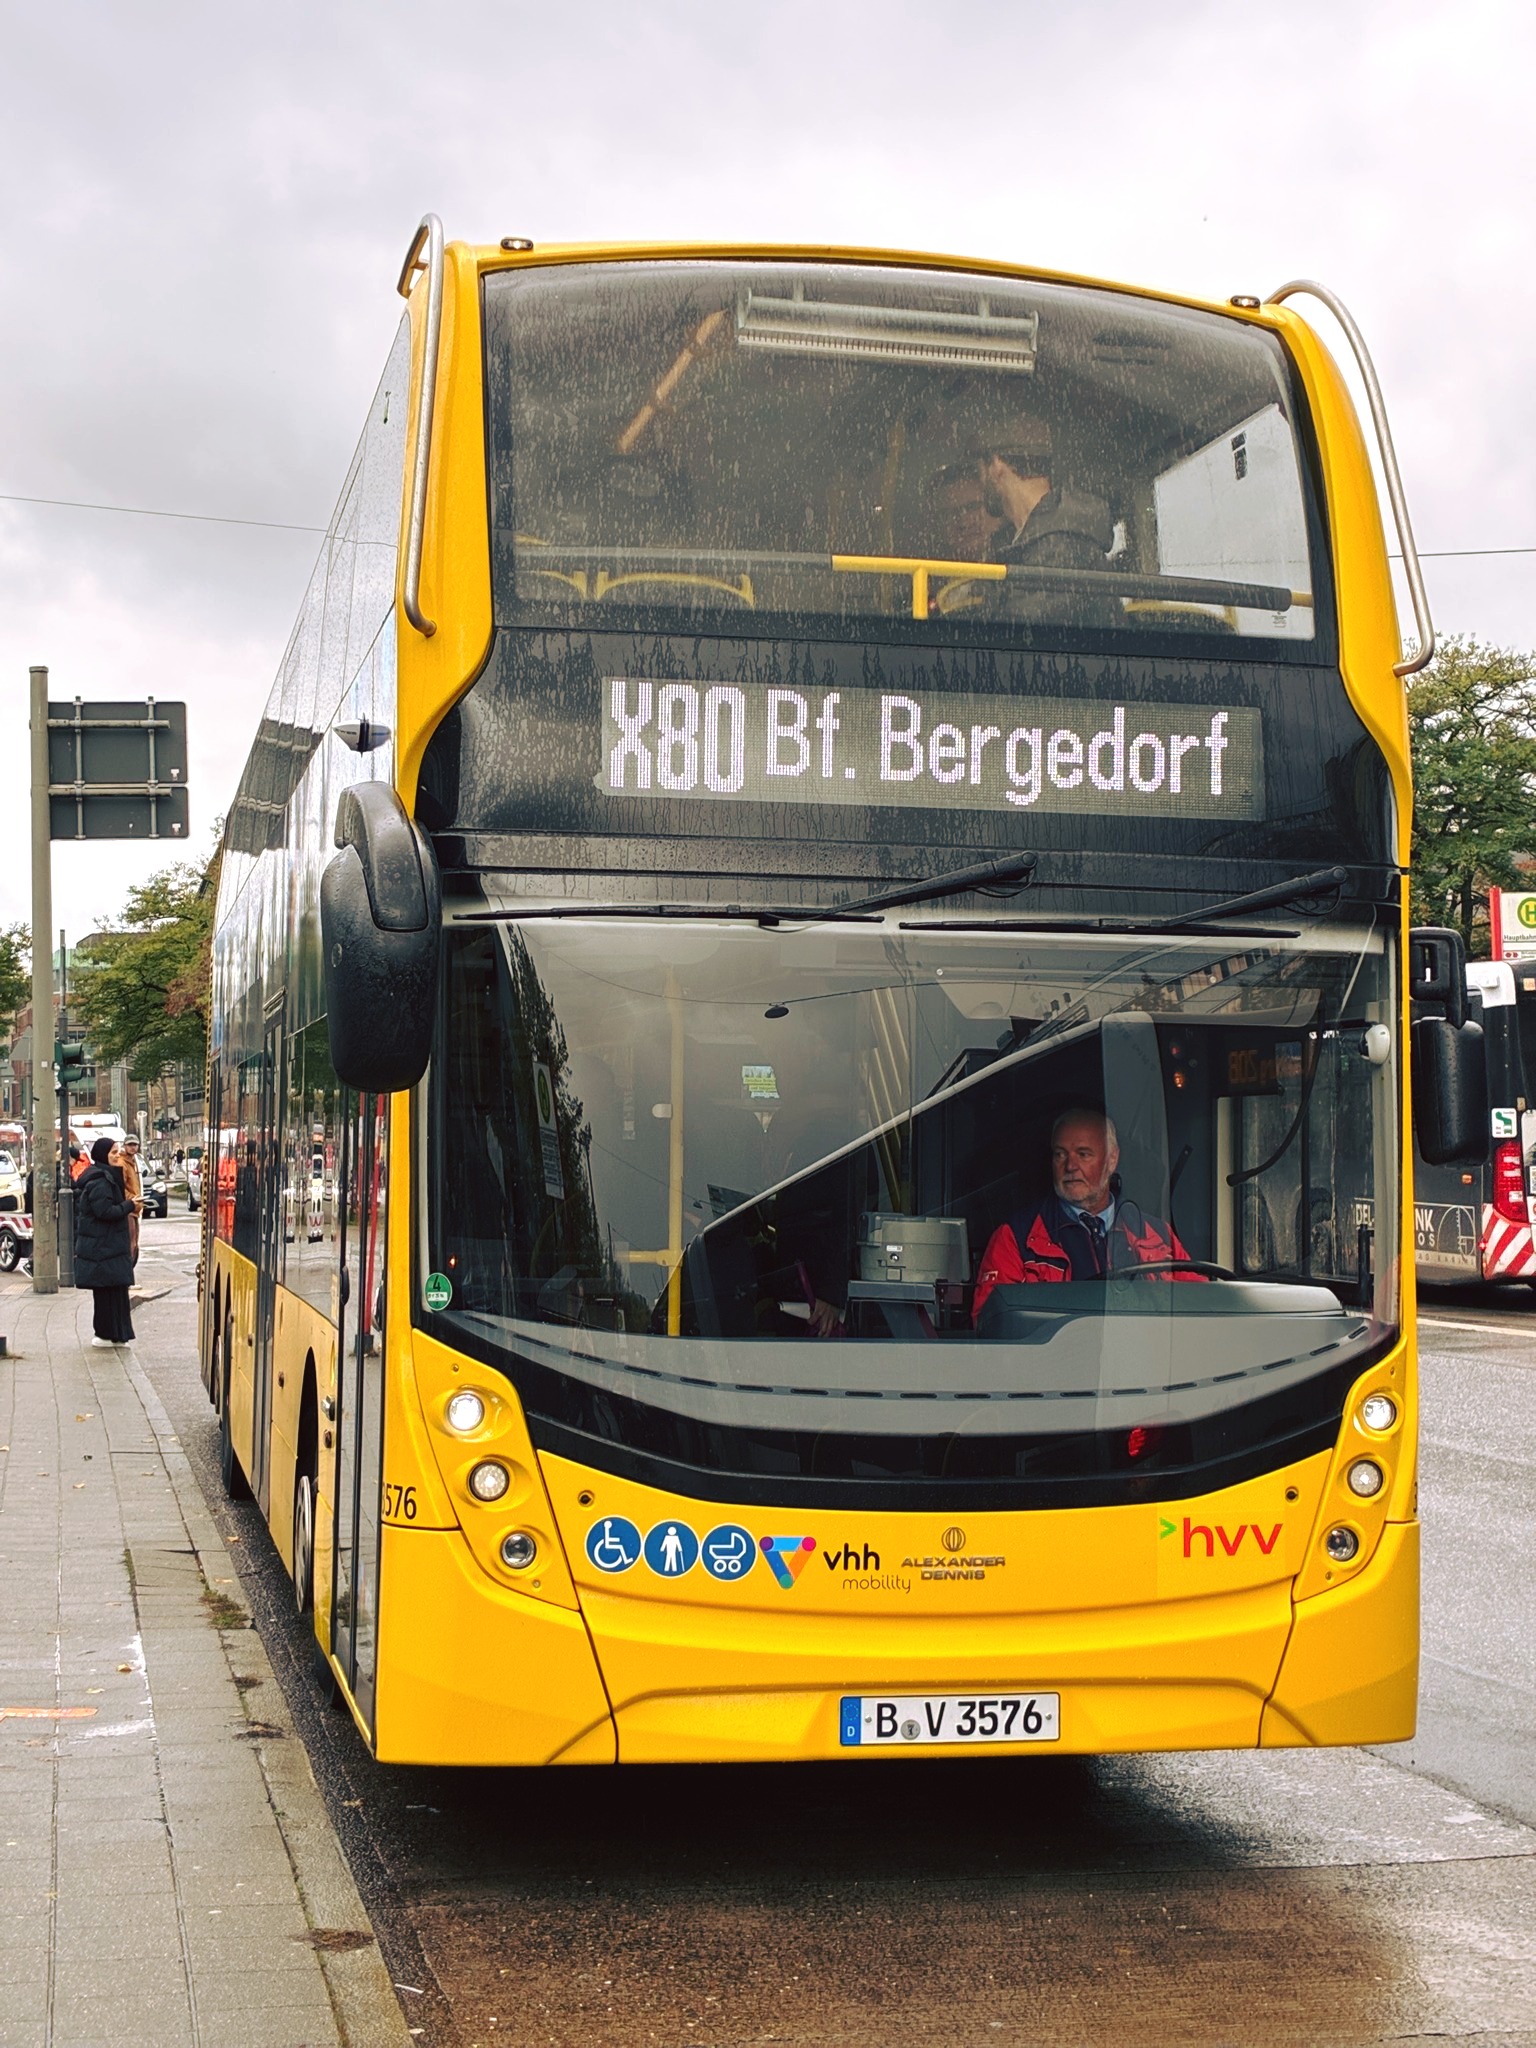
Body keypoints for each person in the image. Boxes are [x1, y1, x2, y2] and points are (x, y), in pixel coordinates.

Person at [972, 1108, 1200, 1319]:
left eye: (1083, 1154)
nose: (1070, 1166)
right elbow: (991, 1321)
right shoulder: (1016, 1237)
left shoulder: (1157, 1234)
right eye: (1060, 1154)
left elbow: (1199, 1309)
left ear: (1112, 1160)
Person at [74, 1136, 140, 1347]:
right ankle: (105, 1334)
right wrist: (129, 1205)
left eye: (117, 1151)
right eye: (113, 1152)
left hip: (108, 1247)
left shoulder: (107, 1176)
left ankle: (117, 1335)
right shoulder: (100, 1181)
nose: (117, 1155)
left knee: (116, 1292)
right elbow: (104, 1211)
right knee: (107, 1294)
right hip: (102, 1248)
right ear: (102, 1155)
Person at [113, 1136, 143, 1266]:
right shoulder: (122, 1163)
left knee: (134, 1243)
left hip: (134, 1209)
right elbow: (121, 1187)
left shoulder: (132, 1162)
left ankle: (129, 1270)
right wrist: (132, 1199)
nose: (133, 1147)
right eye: (130, 1145)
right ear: (124, 1146)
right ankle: (127, 1271)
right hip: (129, 1209)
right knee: (130, 1244)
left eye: (135, 1145)